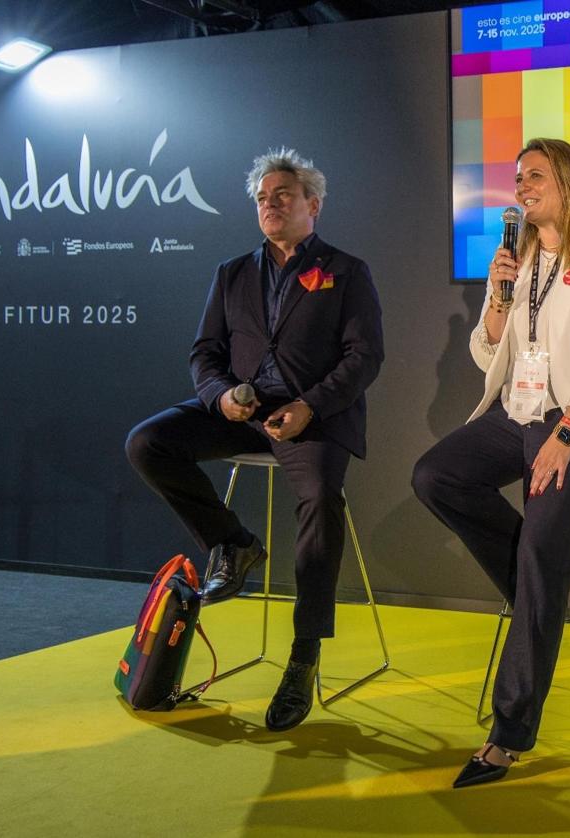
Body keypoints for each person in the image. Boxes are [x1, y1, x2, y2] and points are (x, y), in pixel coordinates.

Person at [412, 138, 570, 788]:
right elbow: (488, 355)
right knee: (436, 476)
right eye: (517, 177)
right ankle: (537, 594)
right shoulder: (522, 257)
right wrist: (496, 300)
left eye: (535, 176)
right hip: (519, 411)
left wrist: (568, 430)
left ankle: (507, 734)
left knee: (540, 561)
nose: (521, 186)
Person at [125, 148, 383, 731]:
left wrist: (307, 406)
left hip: (313, 416)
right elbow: (205, 352)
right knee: (148, 443)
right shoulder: (232, 272)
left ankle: (303, 656)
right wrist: (220, 396)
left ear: (312, 205)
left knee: (320, 502)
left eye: (282, 195)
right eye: (262, 198)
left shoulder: (346, 270)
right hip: (242, 410)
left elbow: (365, 358)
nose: (269, 204)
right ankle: (234, 544)